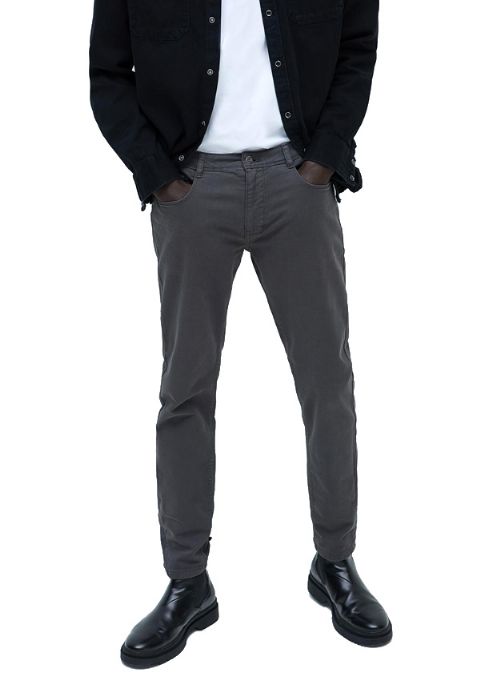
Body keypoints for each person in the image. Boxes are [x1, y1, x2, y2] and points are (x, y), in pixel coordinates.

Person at [89, 0, 392, 668]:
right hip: (190, 188)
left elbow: (356, 47)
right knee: (185, 391)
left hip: (298, 181)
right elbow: (107, 75)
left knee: (328, 384)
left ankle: (335, 562)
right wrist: (159, 177)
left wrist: (325, 159)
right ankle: (187, 582)